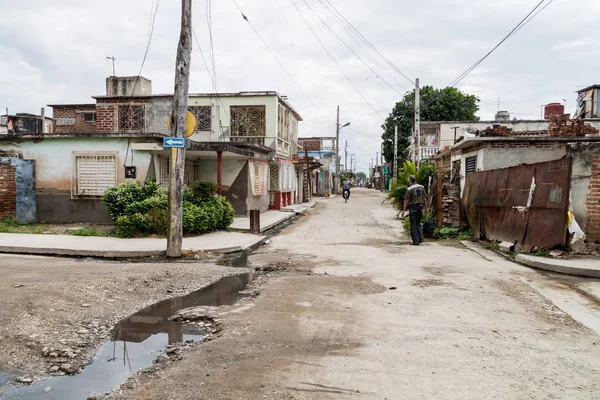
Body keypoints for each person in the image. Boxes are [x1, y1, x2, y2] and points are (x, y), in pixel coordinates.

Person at [400, 175, 428, 246]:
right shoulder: (422, 187)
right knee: (418, 222)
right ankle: (421, 238)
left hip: (413, 208)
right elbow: (425, 198)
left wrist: (403, 211)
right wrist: (426, 208)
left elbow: (406, 201)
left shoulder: (409, 189)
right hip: (421, 207)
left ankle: (415, 241)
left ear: (410, 181)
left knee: (413, 224)